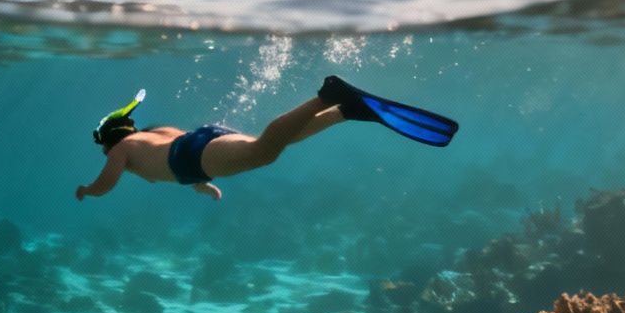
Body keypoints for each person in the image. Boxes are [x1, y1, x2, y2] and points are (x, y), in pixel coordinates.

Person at [76, 76, 457, 201]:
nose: (105, 152)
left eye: (103, 146)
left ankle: (328, 96)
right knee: (276, 142)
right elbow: (176, 162)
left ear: (111, 139)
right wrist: (204, 187)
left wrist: (87, 190)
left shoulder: (123, 148)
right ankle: (344, 111)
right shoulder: (150, 136)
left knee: (264, 152)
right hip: (198, 144)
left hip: (192, 156)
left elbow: (107, 183)